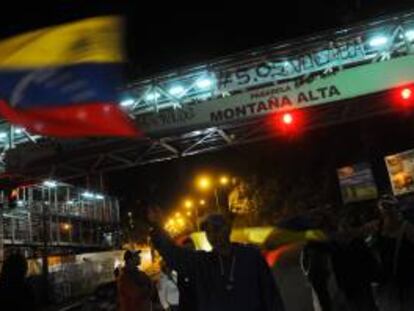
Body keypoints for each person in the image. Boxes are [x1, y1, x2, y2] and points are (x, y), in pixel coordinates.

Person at [148, 209, 285, 311]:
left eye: (217, 229)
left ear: (228, 229)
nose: (213, 235)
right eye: (208, 232)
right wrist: (157, 227)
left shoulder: (250, 256)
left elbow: (270, 294)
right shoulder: (203, 262)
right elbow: (174, 254)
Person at [368, 194, 414, 311]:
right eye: (385, 207)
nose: (388, 211)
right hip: (388, 279)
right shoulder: (377, 227)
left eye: (390, 207)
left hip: (406, 278)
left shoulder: (406, 228)